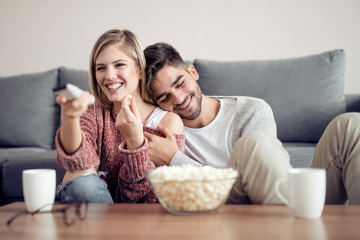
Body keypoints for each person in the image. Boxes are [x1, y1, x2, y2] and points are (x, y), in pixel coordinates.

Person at [143, 42, 360, 205]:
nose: (178, 99)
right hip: (237, 207)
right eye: (164, 98)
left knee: (350, 126)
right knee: (255, 143)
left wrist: (174, 159)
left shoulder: (251, 110)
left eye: (180, 84)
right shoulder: (165, 131)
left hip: (285, 200)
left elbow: (264, 174)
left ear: (193, 72)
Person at [55, 30, 185, 204]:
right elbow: (77, 166)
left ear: (139, 70)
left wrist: (135, 141)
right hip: (97, 213)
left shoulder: (168, 122)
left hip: (145, 220)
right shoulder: (93, 113)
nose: (109, 76)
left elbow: (158, 199)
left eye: (119, 65)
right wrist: (69, 118)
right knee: (80, 177)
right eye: (101, 68)